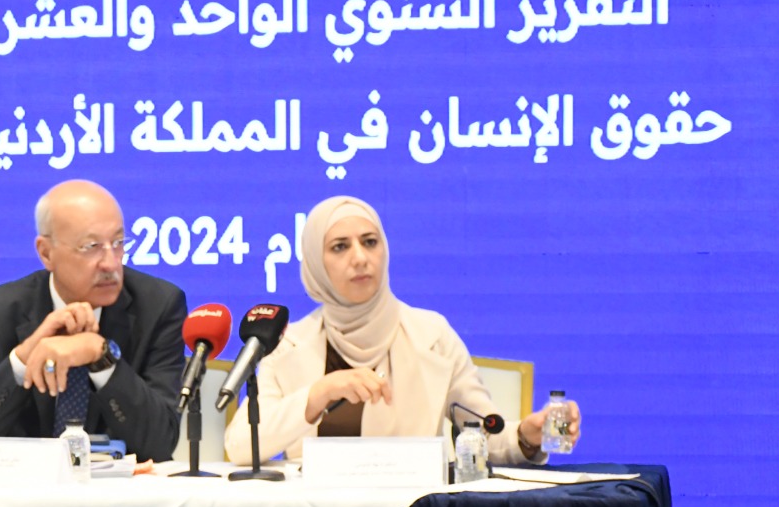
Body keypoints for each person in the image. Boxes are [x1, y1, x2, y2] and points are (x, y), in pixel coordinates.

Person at [224, 195, 581, 465]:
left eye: (370, 242)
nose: (360, 258)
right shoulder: (288, 344)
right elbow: (240, 447)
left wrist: (526, 436)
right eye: (340, 247)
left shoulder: (431, 334)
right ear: (317, 264)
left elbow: (484, 435)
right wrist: (318, 395)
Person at [0, 179, 187, 461]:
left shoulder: (158, 307)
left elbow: (161, 443)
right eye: (91, 246)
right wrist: (22, 360)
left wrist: (101, 356)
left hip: (120, 488)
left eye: (118, 243)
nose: (110, 263)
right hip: (24, 487)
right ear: (46, 253)